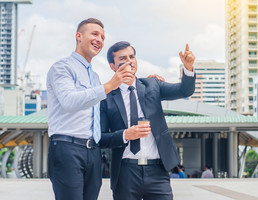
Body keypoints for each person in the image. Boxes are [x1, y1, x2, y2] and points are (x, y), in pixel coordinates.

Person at [99, 41, 196, 200]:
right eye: (123, 58)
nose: (130, 61)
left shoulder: (152, 84)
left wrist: (188, 68)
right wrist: (125, 135)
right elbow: (100, 138)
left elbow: (185, 90)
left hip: (158, 171)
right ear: (112, 66)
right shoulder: (106, 97)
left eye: (132, 56)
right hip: (125, 173)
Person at [47, 18, 130, 200]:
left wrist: (148, 82)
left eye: (102, 36)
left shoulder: (94, 76)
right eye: (94, 34)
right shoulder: (62, 67)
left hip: (93, 151)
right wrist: (109, 86)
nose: (99, 39)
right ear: (78, 36)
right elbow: (68, 101)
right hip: (67, 147)